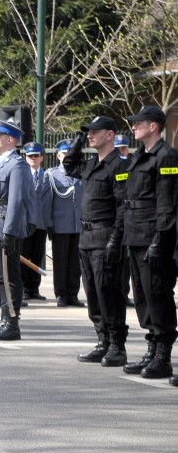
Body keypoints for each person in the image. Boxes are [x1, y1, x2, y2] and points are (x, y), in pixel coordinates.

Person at [61, 117, 128, 367]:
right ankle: (102, 341)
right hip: (86, 238)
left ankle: (116, 346)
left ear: (110, 135)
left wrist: (115, 240)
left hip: (105, 236)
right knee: (92, 293)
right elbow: (69, 165)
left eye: (94, 132)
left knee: (108, 292)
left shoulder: (120, 166)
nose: (90, 136)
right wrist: (78, 141)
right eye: (88, 133)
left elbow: (122, 208)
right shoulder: (90, 164)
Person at [121, 105, 178, 379]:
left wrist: (159, 240)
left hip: (153, 238)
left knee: (158, 296)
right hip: (135, 236)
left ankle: (163, 357)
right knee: (142, 297)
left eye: (138, 122)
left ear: (153, 126)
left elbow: (166, 204)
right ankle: (152, 349)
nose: (133, 127)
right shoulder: (139, 156)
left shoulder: (166, 157)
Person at [0, 119, 36, 341]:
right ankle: (4, 320)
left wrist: (10, 231)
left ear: (10, 139)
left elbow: (16, 201)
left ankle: (12, 322)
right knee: (0, 276)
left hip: (4, 226)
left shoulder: (18, 165)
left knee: (9, 276)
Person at [47, 140, 83, 308]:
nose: (67, 156)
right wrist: (49, 223)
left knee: (75, 262)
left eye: (70, 153)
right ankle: (61, 294)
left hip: (78, 224)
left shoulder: (80, 172)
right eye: (64, 153)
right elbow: (48, 201)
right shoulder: (52, 175)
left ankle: (73, 294)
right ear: (58, 155)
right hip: (60, 224)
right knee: (60, 262)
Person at [21, 142, 53, 304]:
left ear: (42, 157)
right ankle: (25, 288)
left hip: (41, 223)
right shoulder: (22, 173)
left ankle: (35, 288)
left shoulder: (47, 175)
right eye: (30, 156)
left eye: (36, 155)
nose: (33, 158)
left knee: (37, 256)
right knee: (24, 256)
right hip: (26, 223)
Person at [114, 133, 134, 307]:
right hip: (112, 220)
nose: (120, 152)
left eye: (122, 149)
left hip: (128, 219)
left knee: (126, 262)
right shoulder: (110, 165)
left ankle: (123, 294)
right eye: (117, 149)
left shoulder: (132, 164)